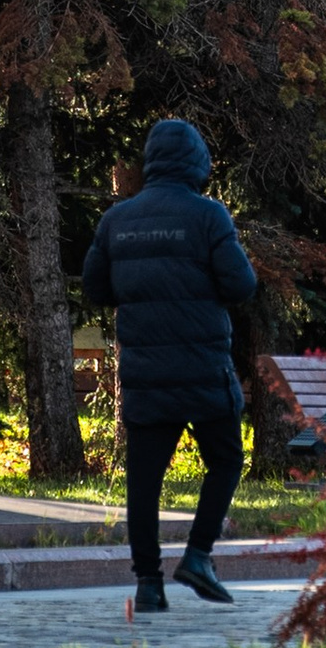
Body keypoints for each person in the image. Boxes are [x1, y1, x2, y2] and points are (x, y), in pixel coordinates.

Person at [80, 114, 257, 614]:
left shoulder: (118, 219)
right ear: (198, 162)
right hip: (203, 367)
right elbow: (240, 286)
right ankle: (198, 556)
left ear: (152, 162)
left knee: (145, 479)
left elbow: (95, 287)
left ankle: (148, 584)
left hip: (146, 372)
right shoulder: (209, 216)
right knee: (225, 460)